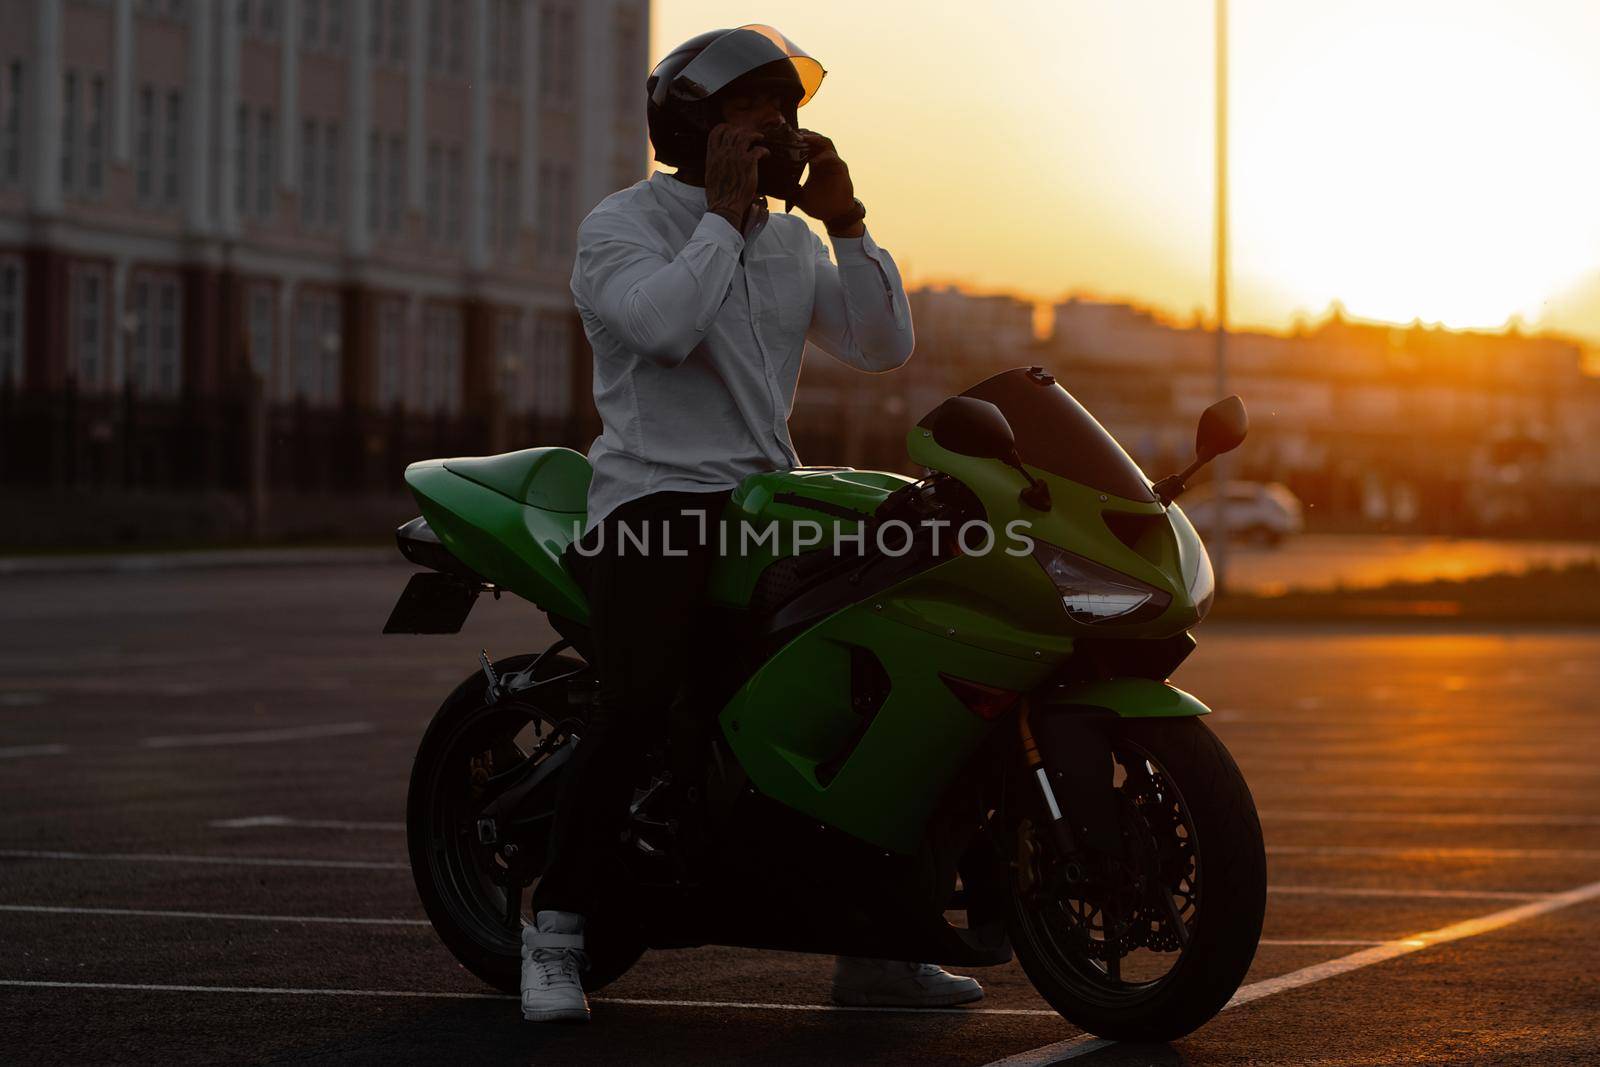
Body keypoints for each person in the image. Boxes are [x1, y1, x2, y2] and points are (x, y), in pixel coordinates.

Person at [519, 25, 984, 1023]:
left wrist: (849, 223)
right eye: (752, 107)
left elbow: (880, 344)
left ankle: (878, 947)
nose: (776, 124)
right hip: (650, 505)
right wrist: (724, 221)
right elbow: (662, 327)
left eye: (785, 107)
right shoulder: (623, 224)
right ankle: (555, 930)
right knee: (639, 701)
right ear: (692, 122)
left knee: (873, 689)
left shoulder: (791, 237)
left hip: (768, 504)